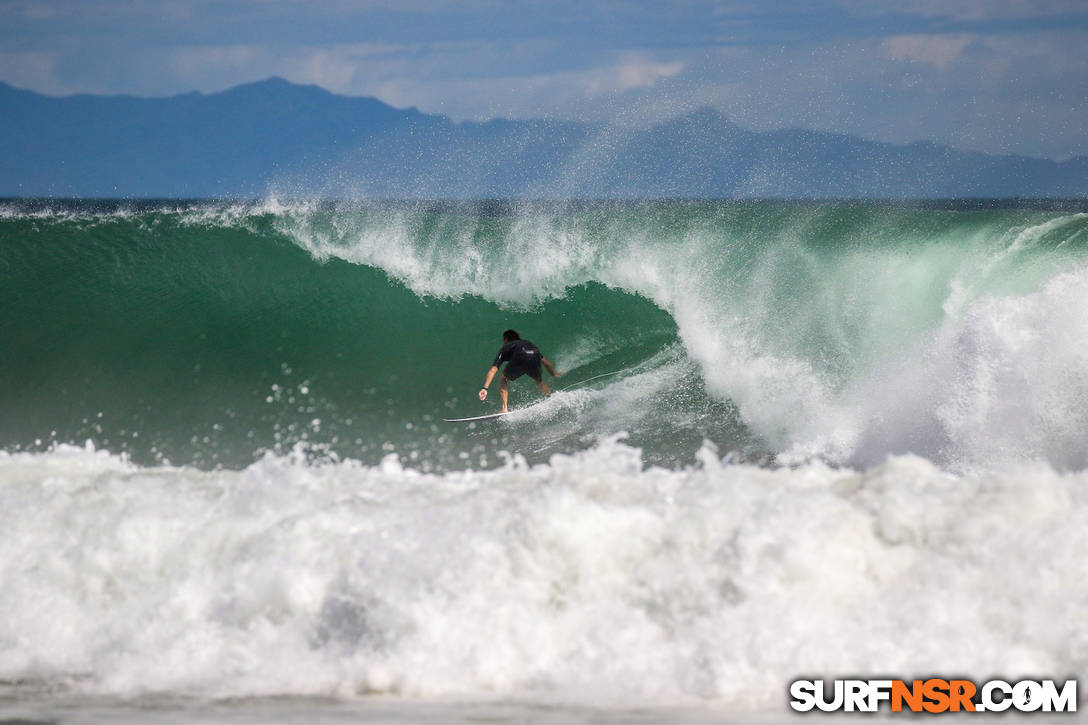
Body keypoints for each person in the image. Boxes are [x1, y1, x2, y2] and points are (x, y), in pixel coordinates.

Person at [479, 329, 561, 413]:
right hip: (535, 356)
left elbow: (493, 370)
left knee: (503, 379)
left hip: (520, 356)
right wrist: (553, 373)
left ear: (505, 339)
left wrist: (485, 388)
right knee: (539, 381)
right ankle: (550, 398)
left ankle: (505, 408)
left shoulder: (506, 347)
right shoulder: (528, 343)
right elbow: (546, 362)